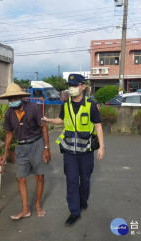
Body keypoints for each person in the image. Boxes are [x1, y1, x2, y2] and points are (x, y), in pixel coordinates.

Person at [42, 74, 104, 227]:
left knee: (85, 180)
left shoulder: (91, 105)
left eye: (75, 85)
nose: (72, 88)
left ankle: (83, 201)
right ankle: (74, 212)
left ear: (83, 86)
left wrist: (102, 147)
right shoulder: (65, 104)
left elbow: (98, 125)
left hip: (86, 151)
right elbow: (62, 120)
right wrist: (49, 120)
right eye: (70, 85)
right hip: (69, 151)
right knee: (71, 181)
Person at [0, 82, 51, 220]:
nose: (12, 101)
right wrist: (5, 153)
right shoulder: (9, 113)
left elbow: (43, 127)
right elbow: (9, 133)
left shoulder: (33, 108)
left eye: (14, 98)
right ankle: (25, 209)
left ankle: (38, 205)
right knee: (20, 178)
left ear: (21, 97)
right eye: (10, 99)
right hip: (21, 148)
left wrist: (46, 148)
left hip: (36, 144)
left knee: (39, 176)